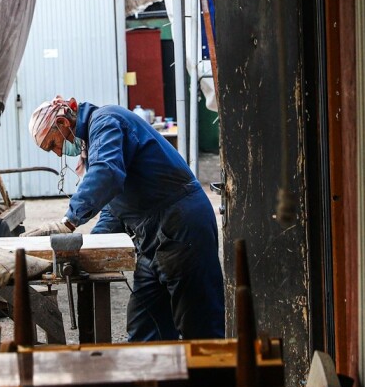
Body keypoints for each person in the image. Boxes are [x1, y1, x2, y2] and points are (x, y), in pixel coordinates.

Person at [28, 96, 225, 341]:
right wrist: (89, 248)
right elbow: (114, 206)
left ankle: (212, 377)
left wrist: (68, 221)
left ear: (62, 122)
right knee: (145, 322)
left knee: (199, 320)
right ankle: (155, 378)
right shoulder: (94, 141)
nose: (58, 153)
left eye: (53, 144)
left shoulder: (105, 121)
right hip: (152, 234)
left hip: (181, 224)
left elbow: (107, 174)